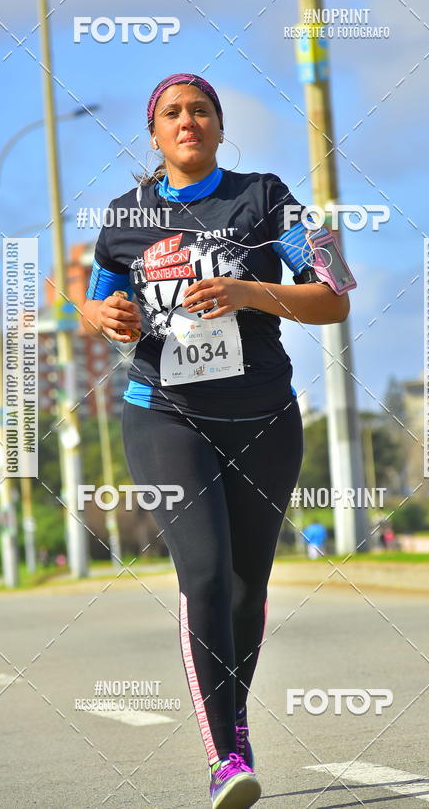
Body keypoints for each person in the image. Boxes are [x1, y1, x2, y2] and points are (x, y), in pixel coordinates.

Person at [81, 73, 352, 808]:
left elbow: (334, 294)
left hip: (264, 413)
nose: (187, 120)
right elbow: (98, 296)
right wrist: (103, 317)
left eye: (200, 110)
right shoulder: (123, 216)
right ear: (154, 132)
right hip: (163, 412)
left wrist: (248, 291)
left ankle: (230, 730)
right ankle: (226, 757)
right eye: (172, 112)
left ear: (220, 126)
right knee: (203, 571)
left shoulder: (268, 197)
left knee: (245, 587)